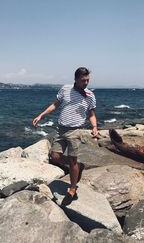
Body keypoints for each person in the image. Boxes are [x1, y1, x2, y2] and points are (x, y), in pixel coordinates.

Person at [32, 67, 98, 205]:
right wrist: (41, 115)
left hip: (76, 131)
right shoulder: (65, 89)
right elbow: (55, 105)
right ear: (75, 79)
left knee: (72, 160)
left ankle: (73, 188)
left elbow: (91, 114)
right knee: (54, 156)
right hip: (61, 130)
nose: (86, 83)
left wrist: (94, 127)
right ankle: (77, 166)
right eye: (83, 80)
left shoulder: (90, 95)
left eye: (88, 80)